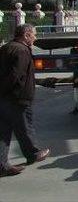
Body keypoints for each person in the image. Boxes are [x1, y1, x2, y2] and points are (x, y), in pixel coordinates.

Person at [0, 24, 50, 177]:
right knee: (24, 127)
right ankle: (33, 154)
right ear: (26, 35)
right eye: (34, 34)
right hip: (17, 98)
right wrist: (13, 93)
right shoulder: (22, 50)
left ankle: (2, 165)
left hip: (4, 98)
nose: (35, 37)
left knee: (3, 132)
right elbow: (17, 76)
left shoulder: (7, 47)